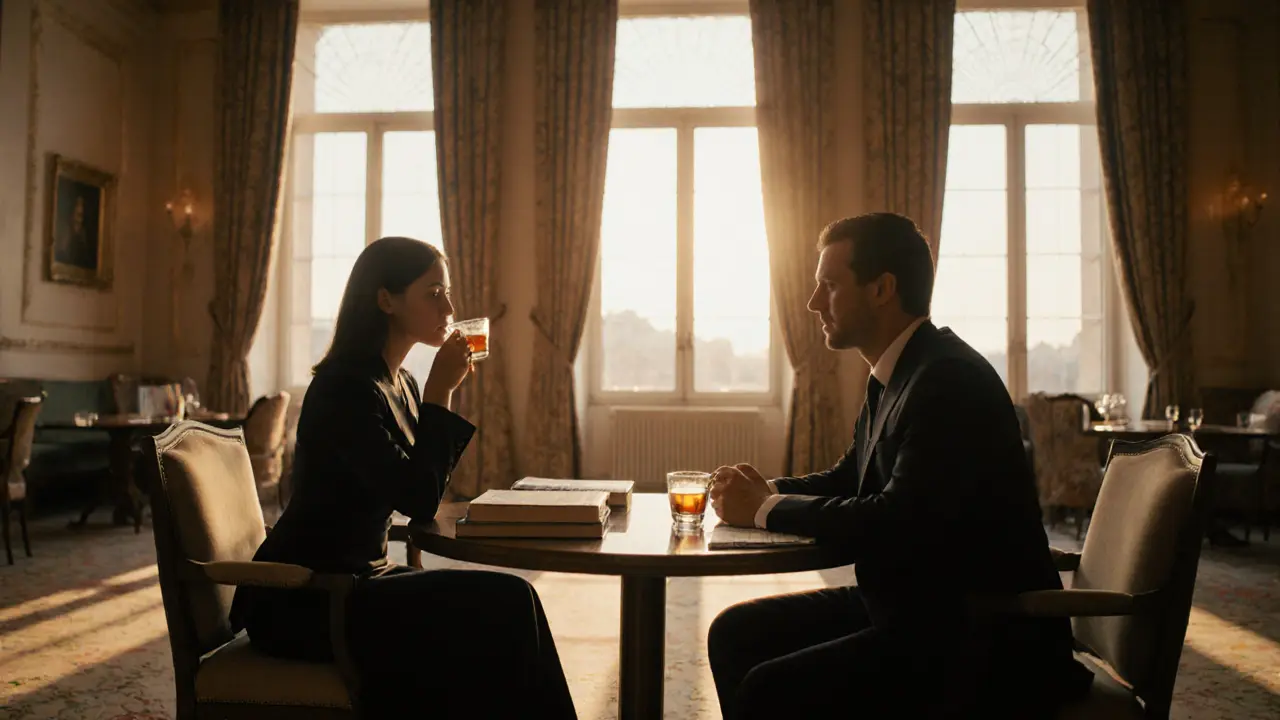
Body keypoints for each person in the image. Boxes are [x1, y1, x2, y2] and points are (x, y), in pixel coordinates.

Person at [706, 214, 1093, 719]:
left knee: (768, 689)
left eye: (829, 285)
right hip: (918, 608)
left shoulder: (946, 380)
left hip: (980, 638)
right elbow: (851, 477)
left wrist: (764, 509)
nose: (813, 303)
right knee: (734, 633)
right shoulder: (898, 371)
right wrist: (765, 489)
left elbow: (895, 520)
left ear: (883, 288)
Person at [229, 236, 577, 719]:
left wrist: (435, 392)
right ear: (385, 299)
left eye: (448, 292)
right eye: (434, 293)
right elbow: (419, 499)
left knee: (514, 607)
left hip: (363, 581)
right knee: (510, 601)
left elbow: (420, 487)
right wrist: (441, 392)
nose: (450, 307)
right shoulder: (343, 388)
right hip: (310, 597)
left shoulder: (400, 383)